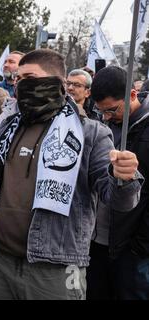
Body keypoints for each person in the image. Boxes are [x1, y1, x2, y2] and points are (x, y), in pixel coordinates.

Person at [0, 49, 142, 300]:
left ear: (56, 83)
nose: (20, 84)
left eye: (29, 77)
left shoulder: (91, 133)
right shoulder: (9, 128)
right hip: (1, 261)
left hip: (55, 269)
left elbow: (118, 200)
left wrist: (124, 177)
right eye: (18, 78)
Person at [88, 66, 149, 300]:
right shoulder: (99, 127)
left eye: (112, 109)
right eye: (100, 111)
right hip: (97, 241)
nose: (105, 116)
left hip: (133, 249)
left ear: (132, 95)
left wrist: (141, 245)